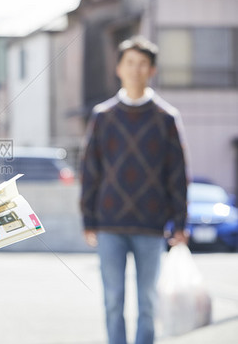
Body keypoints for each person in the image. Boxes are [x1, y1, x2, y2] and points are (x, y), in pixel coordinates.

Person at [80, 35, 189, 344]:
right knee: (113, 300)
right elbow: (90, 171)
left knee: (148, 302)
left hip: (151, 225)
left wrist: (180, 223)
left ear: (152, 70)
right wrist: (88, 221)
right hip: (109, 223)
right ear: (119, 68)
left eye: (143, 64)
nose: (136, 69)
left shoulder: (166, 117)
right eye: (130, 63)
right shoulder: (103, 116)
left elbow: (178, 173)